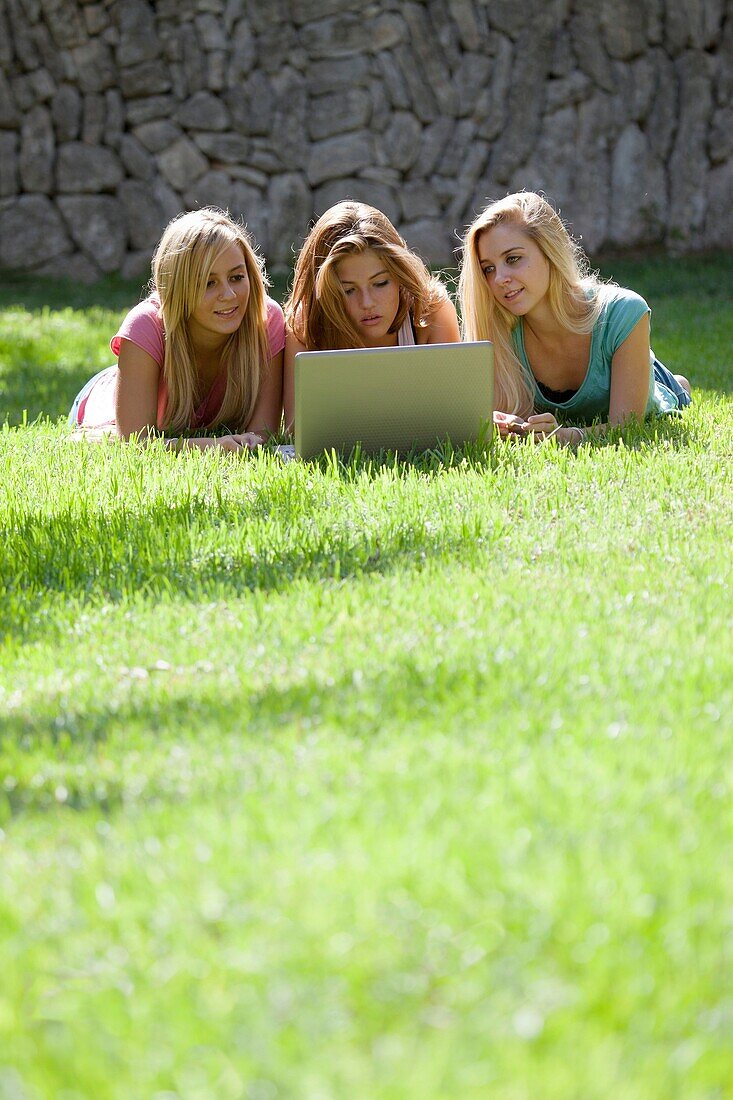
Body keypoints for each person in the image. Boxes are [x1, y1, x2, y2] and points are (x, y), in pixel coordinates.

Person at [459, 191, 691, 445]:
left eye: (513, 259)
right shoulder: (499, 329)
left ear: (550, 251)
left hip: (645, 373)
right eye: (488, 268)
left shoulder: (624, 312)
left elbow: (627, 428)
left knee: (671, 392)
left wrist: (566, 436)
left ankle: (675, 386)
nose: (499, 278)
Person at [70, 207, 284, 451]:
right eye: (208, 283)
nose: (228, 294)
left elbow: (263, 433)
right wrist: (211, 447)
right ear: (179, 287)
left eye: (237, 277)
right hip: (108, 397)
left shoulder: (266, 320)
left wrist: (246, 444)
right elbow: (134, 444)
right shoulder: (144, 326)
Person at [283, 201, 460, 431]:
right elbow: (296, 428)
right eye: (348, 290)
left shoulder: (431, 311)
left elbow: (454, 415)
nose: (367, 303)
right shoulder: (305, 325)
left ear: (400, 275)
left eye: (380, 283)